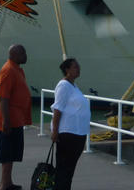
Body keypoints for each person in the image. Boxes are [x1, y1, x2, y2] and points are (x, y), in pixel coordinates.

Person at [0, 44, 32, 190]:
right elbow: (4, 98)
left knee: (12, 154)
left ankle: (8, 183)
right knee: (7, 155)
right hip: (9, 121)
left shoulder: (17, 70)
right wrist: (6, 121)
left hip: (16, 120)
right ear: (14, 55)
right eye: (23, 53)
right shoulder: (8, 71)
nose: (26, 56)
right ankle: (4, 185)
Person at [51, 58, 91, 190]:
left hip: (78, 133)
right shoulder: (63, 86)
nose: (78, 69)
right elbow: (58, 109)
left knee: (69, 169)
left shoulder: (73, 86)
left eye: (78, 66)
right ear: (67, 70)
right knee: (64, 168)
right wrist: (55, 131)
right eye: (75, 67)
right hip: (68, 133)